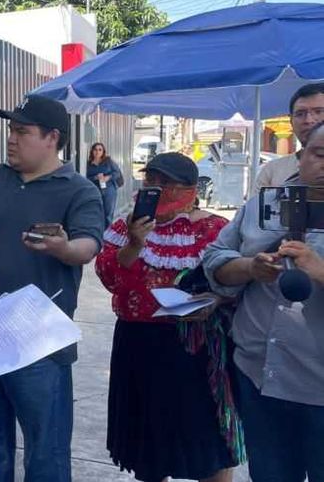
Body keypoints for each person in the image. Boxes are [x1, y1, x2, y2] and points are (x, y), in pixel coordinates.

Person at [0, 95, 105, 482]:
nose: (11, 138)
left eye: (22, 131)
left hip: (39, 341)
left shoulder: (78, 190)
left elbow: (88, 245)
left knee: (46, 453)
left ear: (51, 138)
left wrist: (64, 248)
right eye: (11, 130)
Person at [95, 152, 240, 482]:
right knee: (148, 440)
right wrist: (134, 243)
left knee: (206, 440)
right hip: (139, 344)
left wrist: (216, 299)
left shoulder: (214, 228)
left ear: (190, 189)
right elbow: (110, 279)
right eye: (151, 182)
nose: (157, 190)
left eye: (167, 184)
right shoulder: (125, 226)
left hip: (195, 345)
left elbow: (236, 281)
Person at [203, 121, 324, 482]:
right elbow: (214, 260)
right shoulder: (262, 206)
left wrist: (319, 271)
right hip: (258, 376)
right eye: (320, 154)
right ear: (301, 157)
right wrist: (248, 267)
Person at [255, 83, 324, 188]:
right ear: (291, 121)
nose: (308, 120)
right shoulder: (272, 171)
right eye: (300, 114)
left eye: (318, 112)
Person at [86, 142, 123, 225]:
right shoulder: (88, 164)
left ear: (103, 152)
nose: (97, 152)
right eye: (95, 150)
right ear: (92, 151)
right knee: (96, 211)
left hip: (109, 189)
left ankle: (107, 232)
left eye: (100, 150)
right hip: (94, 190)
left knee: (108, 212)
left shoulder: (108, 161)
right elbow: (85, 178)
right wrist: (95, 178)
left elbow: (117, 173)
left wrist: (108, 177)